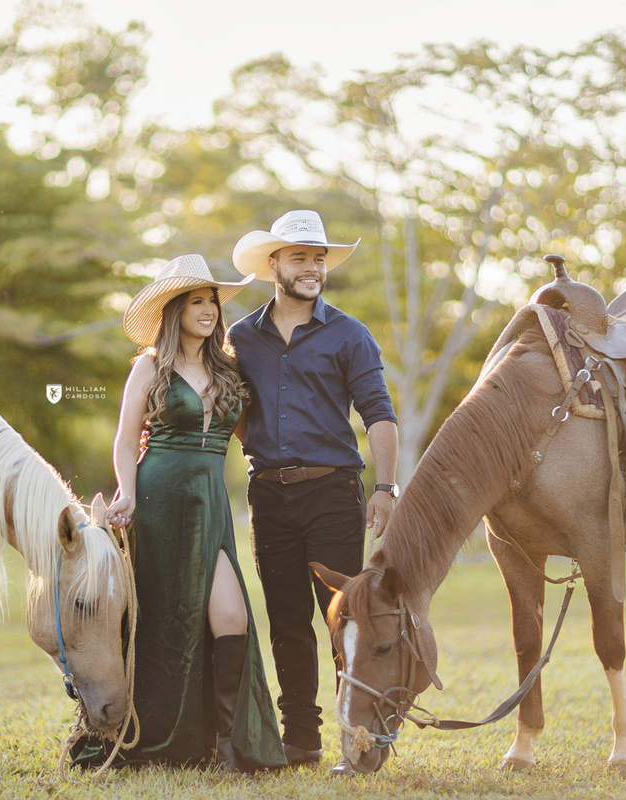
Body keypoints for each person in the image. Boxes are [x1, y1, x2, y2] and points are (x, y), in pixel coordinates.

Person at [99, 254, 287, 772]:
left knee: (231, 616)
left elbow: (251, 434)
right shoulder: (148, 367)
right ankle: (161, 736)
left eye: (212, 303)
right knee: (163, 620)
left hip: (210, 501)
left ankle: (225, 745)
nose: (208, 311)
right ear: (174, 310)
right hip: (157, 498)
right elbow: (125, 440)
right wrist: (127, 492)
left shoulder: (229, 368)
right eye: (197, 302)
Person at [227, 210, 399, 775]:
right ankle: (300, 739)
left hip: (332, 493)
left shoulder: (350, 334)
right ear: (273, 263)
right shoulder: (240, 337)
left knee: (346, 622)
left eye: (319, 258)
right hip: (268, 496)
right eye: (299, 257)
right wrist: (261, 448)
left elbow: (379, 413)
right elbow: (235, 411)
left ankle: (359, 739)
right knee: (286, 620)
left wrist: (385, 487)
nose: (312, 268)